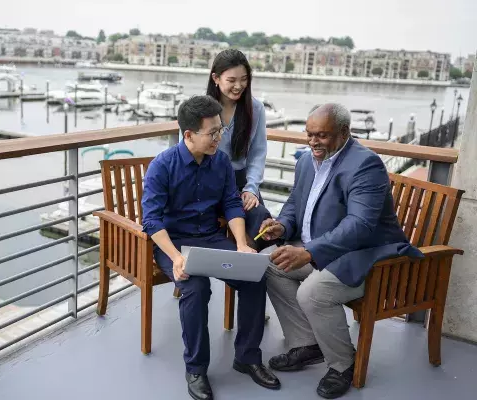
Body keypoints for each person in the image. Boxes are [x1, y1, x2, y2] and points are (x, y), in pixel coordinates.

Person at [257, 103, 423, 399]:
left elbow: (359, 225)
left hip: (366, 257)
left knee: (313, 292)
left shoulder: (365, 165)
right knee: (267, 264)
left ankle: (344, 363)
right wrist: (282, 226)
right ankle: (308, 344)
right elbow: (296, 204)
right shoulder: (307, 161)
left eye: (321, 135)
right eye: (309, 134)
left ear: (344, 132)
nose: (312, 142)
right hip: (325, 250)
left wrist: (308, 252)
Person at [142, 95, 280, 400]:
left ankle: (247, 357)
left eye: (221, 131)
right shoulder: (162, 166)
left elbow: (232, 203)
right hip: (173, 244)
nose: (220, 138)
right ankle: (196, 369)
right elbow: (151, 221)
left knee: (255, 276)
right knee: (195, 287)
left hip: (210, 238)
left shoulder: (220, 162)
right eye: (213, 133)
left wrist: (242, 245)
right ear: (188, 135)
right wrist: (176, 257)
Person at [206, 49, 273, 250]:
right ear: (216, 78)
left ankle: (247, 270)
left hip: (241, 182)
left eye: (244, 79)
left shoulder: (255, 108)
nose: (239, 86)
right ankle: (236, 266)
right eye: (232, 80)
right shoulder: (199, 108)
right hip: (208, 181)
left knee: (260, 218)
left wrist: (251, 189)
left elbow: (257, 154)